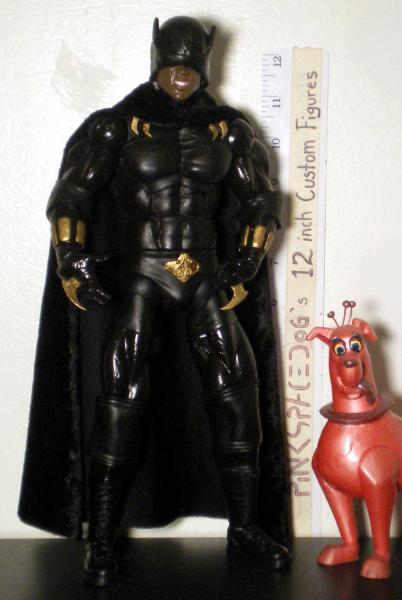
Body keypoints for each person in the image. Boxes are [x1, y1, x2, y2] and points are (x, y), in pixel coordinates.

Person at [19, 16, 290, 586]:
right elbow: (71, 195)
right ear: (156, 57)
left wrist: (248, 258)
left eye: (191, 64)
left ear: (206, 62)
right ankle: (102, 536)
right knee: (122, 397)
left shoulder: (229, 130)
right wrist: (70, 257)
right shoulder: (117, 127)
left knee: (238, 391)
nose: (182, 74)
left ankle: (244, 526)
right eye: (173, 62)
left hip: (204, 276)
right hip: (142, 274)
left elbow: (261, 201)